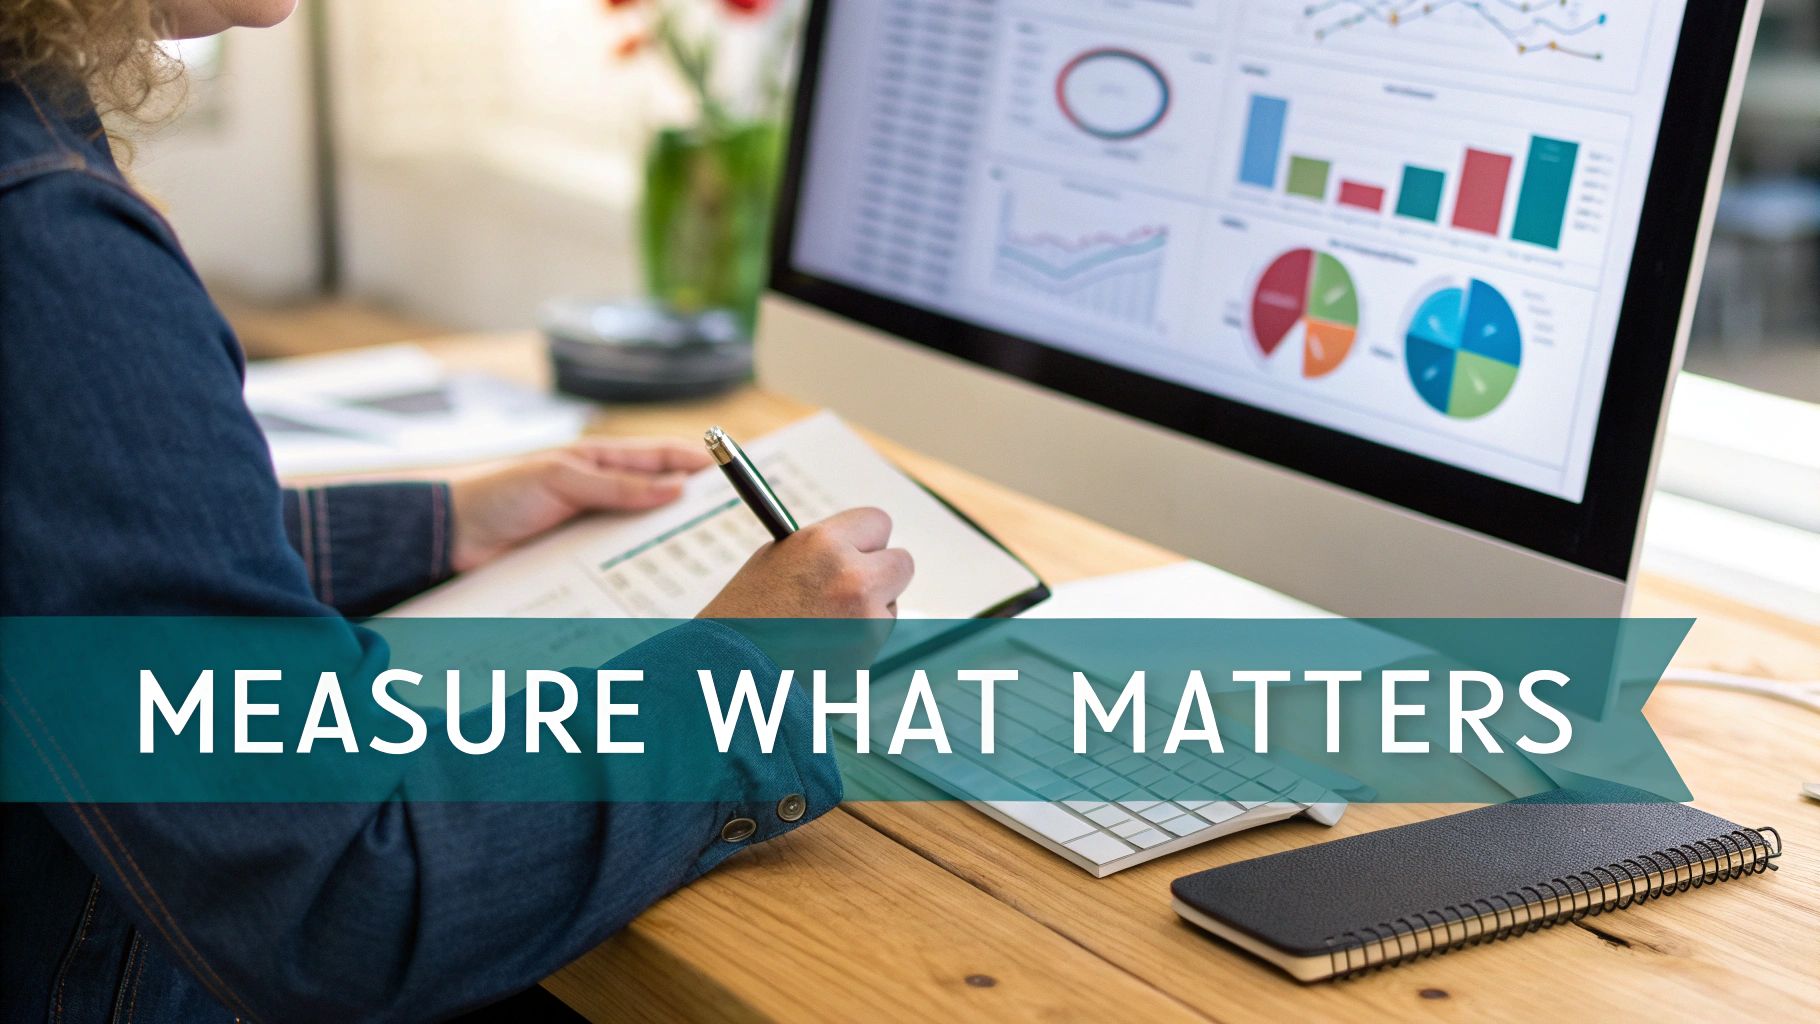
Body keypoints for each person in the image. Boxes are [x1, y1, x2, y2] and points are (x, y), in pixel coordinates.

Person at [0, 1, 914, 1020]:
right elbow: (341, 893)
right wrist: (746, 667)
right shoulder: (46, 246)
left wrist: (438, 528)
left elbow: (54, 545)